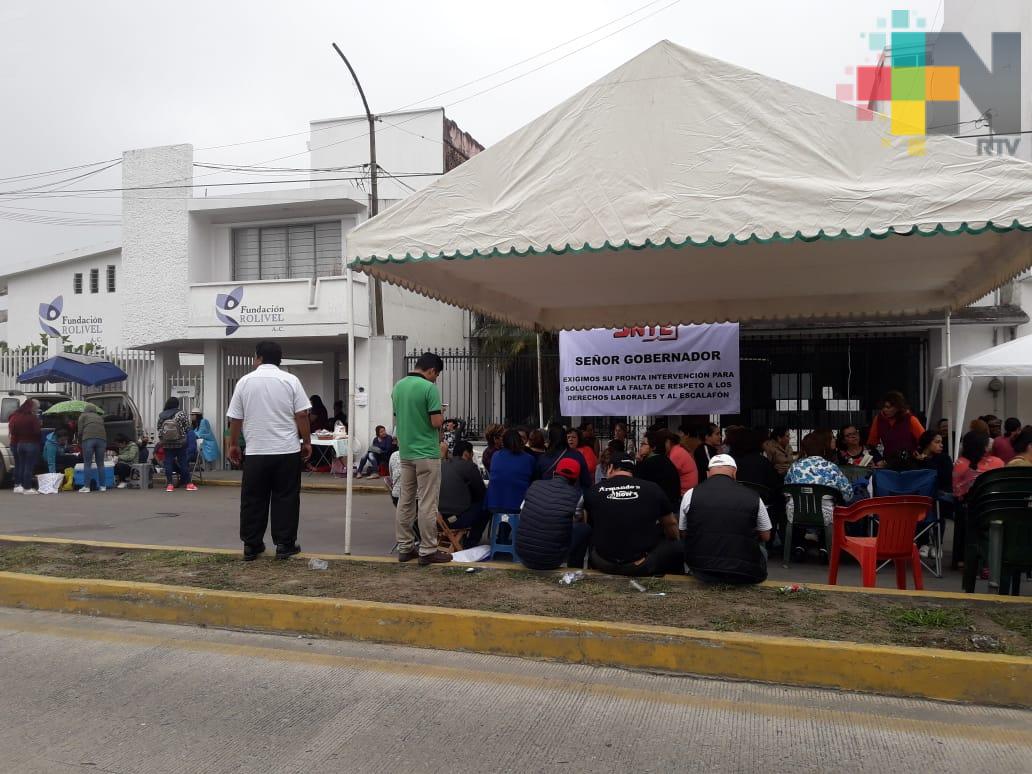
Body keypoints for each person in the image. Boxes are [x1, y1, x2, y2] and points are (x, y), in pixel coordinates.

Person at [227, 341, 312, 561]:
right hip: (286, 450)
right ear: (280, 359)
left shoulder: (244, 382)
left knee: (253, 499)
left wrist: (233, 445)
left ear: (258, 358)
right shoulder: (291, 380)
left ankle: (251, 545)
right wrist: (306, 441)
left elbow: (236, 418)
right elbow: (302, 414)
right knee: (286, 498)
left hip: (256, 452)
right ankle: (285, 545)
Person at [392, 352, 450, 565]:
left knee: (406, 500)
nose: (436, 378)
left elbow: (398, 417)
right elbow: (435, 422)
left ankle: (405, 547)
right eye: (437, 374)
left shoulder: (398, 387)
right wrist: (442, 414)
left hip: (405, 452)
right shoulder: (429, 388)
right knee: (427, 501)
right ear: (432, 370)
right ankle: (427, 549)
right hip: (426, 452)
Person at [584, 453, 682, 576]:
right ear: (633, 471)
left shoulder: (593, 491)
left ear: (610, 468)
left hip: (602, 563)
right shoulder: (652, 489)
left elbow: (589, 523)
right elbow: (671, 524)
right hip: (639, 565)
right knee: (677, 545)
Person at [680, 454, 771, 584]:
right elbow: (766, 535)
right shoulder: (754, 496)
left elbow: (683, 532)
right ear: (734, 472)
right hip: (742, 572)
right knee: (762, 550)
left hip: (701, 570)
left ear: (707, 474)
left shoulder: (690, 494)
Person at [783, 432, 854, 560]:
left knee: (800, 506)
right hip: (825, 515)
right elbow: (848, 495)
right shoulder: (832, 468)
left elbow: (786, 491)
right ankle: (825, 547)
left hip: (796, 513)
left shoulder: (795, 466)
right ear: (824, 447)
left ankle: (799, 545)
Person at [517, 458, 591, 570]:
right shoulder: (577, 495)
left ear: (554, 472)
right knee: (584, 529)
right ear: (575, 479)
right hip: (552, 561)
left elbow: (522, 512)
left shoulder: (534, 485)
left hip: (523, 556)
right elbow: (575, 520)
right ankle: (575, 567)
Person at [438, 440, 490, 549]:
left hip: (438, 518)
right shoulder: (469, 466)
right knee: (486, 506)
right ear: (467, 453)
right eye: (472, 454)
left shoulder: (442, 464)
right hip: (457, 519)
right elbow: (480, 493)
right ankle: (471, 542)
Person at [486, 428, 537, 515]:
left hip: (494, 503)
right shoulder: (529, 458)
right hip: (519, 505)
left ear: (504, 441)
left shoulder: (496, 456)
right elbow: (533, 480)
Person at [867, 391, 924, 466]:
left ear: (898, 408)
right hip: (889, 463)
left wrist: (920, 453)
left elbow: (925, 440)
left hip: (910, 463)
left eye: (888, 407)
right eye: (883, 407)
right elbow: (871, 444)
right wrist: (878, 460)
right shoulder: (878, 420)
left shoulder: (910, 419)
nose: (885, 410)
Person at [535, 423, 592, 491]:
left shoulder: (542, 458)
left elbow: (537, 481)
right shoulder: (577, 456)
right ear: (565, 438)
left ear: (549, 440)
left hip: (547, 496)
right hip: (571, 497)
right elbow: (586, 482)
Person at [952, 431, 1004, 500]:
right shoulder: (998, 462)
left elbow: (957, 492)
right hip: (994, 503)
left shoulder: (960, 463)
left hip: (970, 505)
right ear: (985, 447)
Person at [635, 429, 681, 507]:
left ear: (653, 447)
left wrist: (639, 463)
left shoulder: (650, 463)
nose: (640, 447)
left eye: (643, 444)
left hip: (661, 508)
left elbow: (637, 484)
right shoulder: (664, 459)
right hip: (673, 504)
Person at [157, 397, 194, 493]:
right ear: (177, 404)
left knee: (168, 463)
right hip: (180, 443)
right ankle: (189, 484)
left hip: (167, 444)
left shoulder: (162, 415)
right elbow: (187, 428)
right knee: (183, 462)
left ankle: (170, 485)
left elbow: (159, 428)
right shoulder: (181, 414)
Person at [9, 398, 42, 494]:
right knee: (28, 467)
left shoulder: (17, 417)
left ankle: (20, 485)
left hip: (19, 444)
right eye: (36, 407)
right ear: (31, 407)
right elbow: (37, 432)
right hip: (31, 444)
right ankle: (27, 488)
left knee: (21, 465)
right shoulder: (32, 418)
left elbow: (13, 431)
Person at [78, 403, 108, 493]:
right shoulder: (100, 417)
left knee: (87, 463)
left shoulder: (83, 416)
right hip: (102, 440)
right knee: (101, 463)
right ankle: (103, 486)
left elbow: (80, 431)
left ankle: (87, 487)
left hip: (88, 439)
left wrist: (80, 441)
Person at [664, 430, 699, 495]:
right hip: (687, 490)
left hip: (685, 492)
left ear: (668, 442)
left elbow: (668, 475)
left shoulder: (676, 452)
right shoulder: (677, 449)